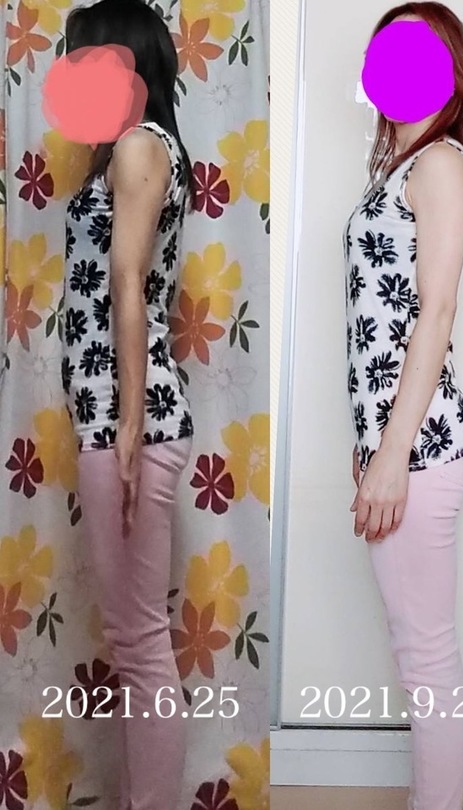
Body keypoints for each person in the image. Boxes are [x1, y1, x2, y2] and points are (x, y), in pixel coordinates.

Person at [60, 1, 195, 808]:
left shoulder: (142, 147)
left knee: (140, 644)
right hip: (115, 419)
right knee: (135, 640)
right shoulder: (129, 151)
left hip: (130, 423)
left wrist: (129, 426)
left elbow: (128, 286)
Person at [344, 3, 463, 809]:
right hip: (395, 443)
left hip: (422, 447)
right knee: (417, 654)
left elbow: (436, 312)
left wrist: (392, 453)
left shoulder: (440, 164)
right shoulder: (401, 164)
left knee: (426, 658)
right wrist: (366, 446)